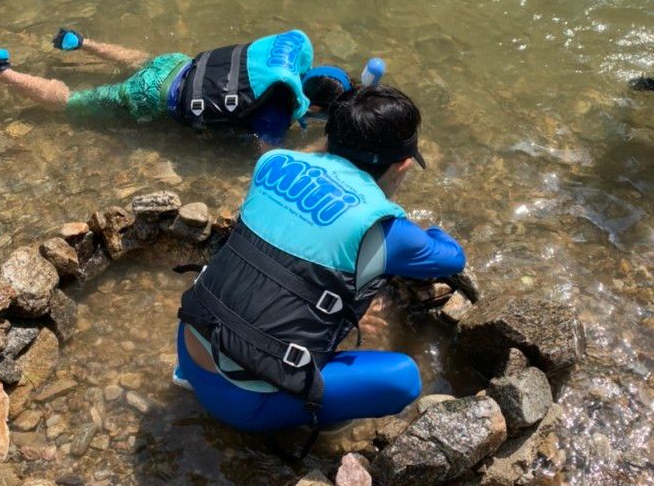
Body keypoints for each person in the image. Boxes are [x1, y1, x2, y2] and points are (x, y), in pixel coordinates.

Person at [175, 83, 466, 443]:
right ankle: (311, 419)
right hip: (240, 401)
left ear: (329, 139)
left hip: (190, 344)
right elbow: (452, 258)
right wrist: (424, 233)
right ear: (403, 164)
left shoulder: (272, 164)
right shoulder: (385, 230)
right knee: (403, 378)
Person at [0, 29, 354, 151]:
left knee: (141, 61)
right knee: (73, 103)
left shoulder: (279, 65)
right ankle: (0, 71)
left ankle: (81, 42)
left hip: (175, 63)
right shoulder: (275, 113)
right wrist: (319, 144)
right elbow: (270, 157)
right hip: (151, 96)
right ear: (315, 105)